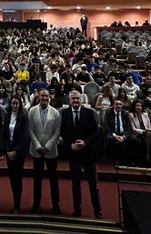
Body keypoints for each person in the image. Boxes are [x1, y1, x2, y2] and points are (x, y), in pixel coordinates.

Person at [60, 90, 102, 218]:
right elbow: (63, 132)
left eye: (77, 99)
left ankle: (97, 211)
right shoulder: (65, 113)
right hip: (74, 154)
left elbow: (96, 132)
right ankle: (77, 210)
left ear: (81, 99)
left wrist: (85, 142)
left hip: (88, 154)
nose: (76, 101)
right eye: (73, 99)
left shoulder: (89, 113)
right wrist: (70, 144)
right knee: (75, 184)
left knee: (93, 185)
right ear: (69, 100)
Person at [28, 88, 61, 214]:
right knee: (37, 180)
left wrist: (47, 146)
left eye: (47, 96)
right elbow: (30, 130)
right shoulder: (32, 111)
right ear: (38, 97)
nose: (45, 98)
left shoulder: (55, 113)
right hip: (36, 150)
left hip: (51, 151)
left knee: (53, 180)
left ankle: (55, 204)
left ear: (49, 97)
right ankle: (36, 203)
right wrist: (38, 146)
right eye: (42, 96)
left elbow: (57, 132)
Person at [0, 96, 29, 213]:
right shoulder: (7, 116)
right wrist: (7, 150)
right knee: (12, 178)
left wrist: (15, 151)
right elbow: (4, 135)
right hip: (9, 150)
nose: (15, 106)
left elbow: (25, 136)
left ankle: (17, 203)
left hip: (19, 151)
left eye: (17, 104)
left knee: (18, 177)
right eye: (13, 104)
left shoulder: (23, 117)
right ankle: (15, 199)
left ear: (20, 105)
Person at [105, 98, 143, 166]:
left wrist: (124, 137)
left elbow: (129, 127)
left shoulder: (125, 113)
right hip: (113, 133)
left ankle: (130, 160)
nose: (118, 106)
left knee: (134, 140)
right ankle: (116, 160)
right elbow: (106, 126)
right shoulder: (108, 112)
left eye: (120, 104)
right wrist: (115, 135)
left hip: (123, 133)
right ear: (113, 105)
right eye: (117, 104)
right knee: (109, 139)